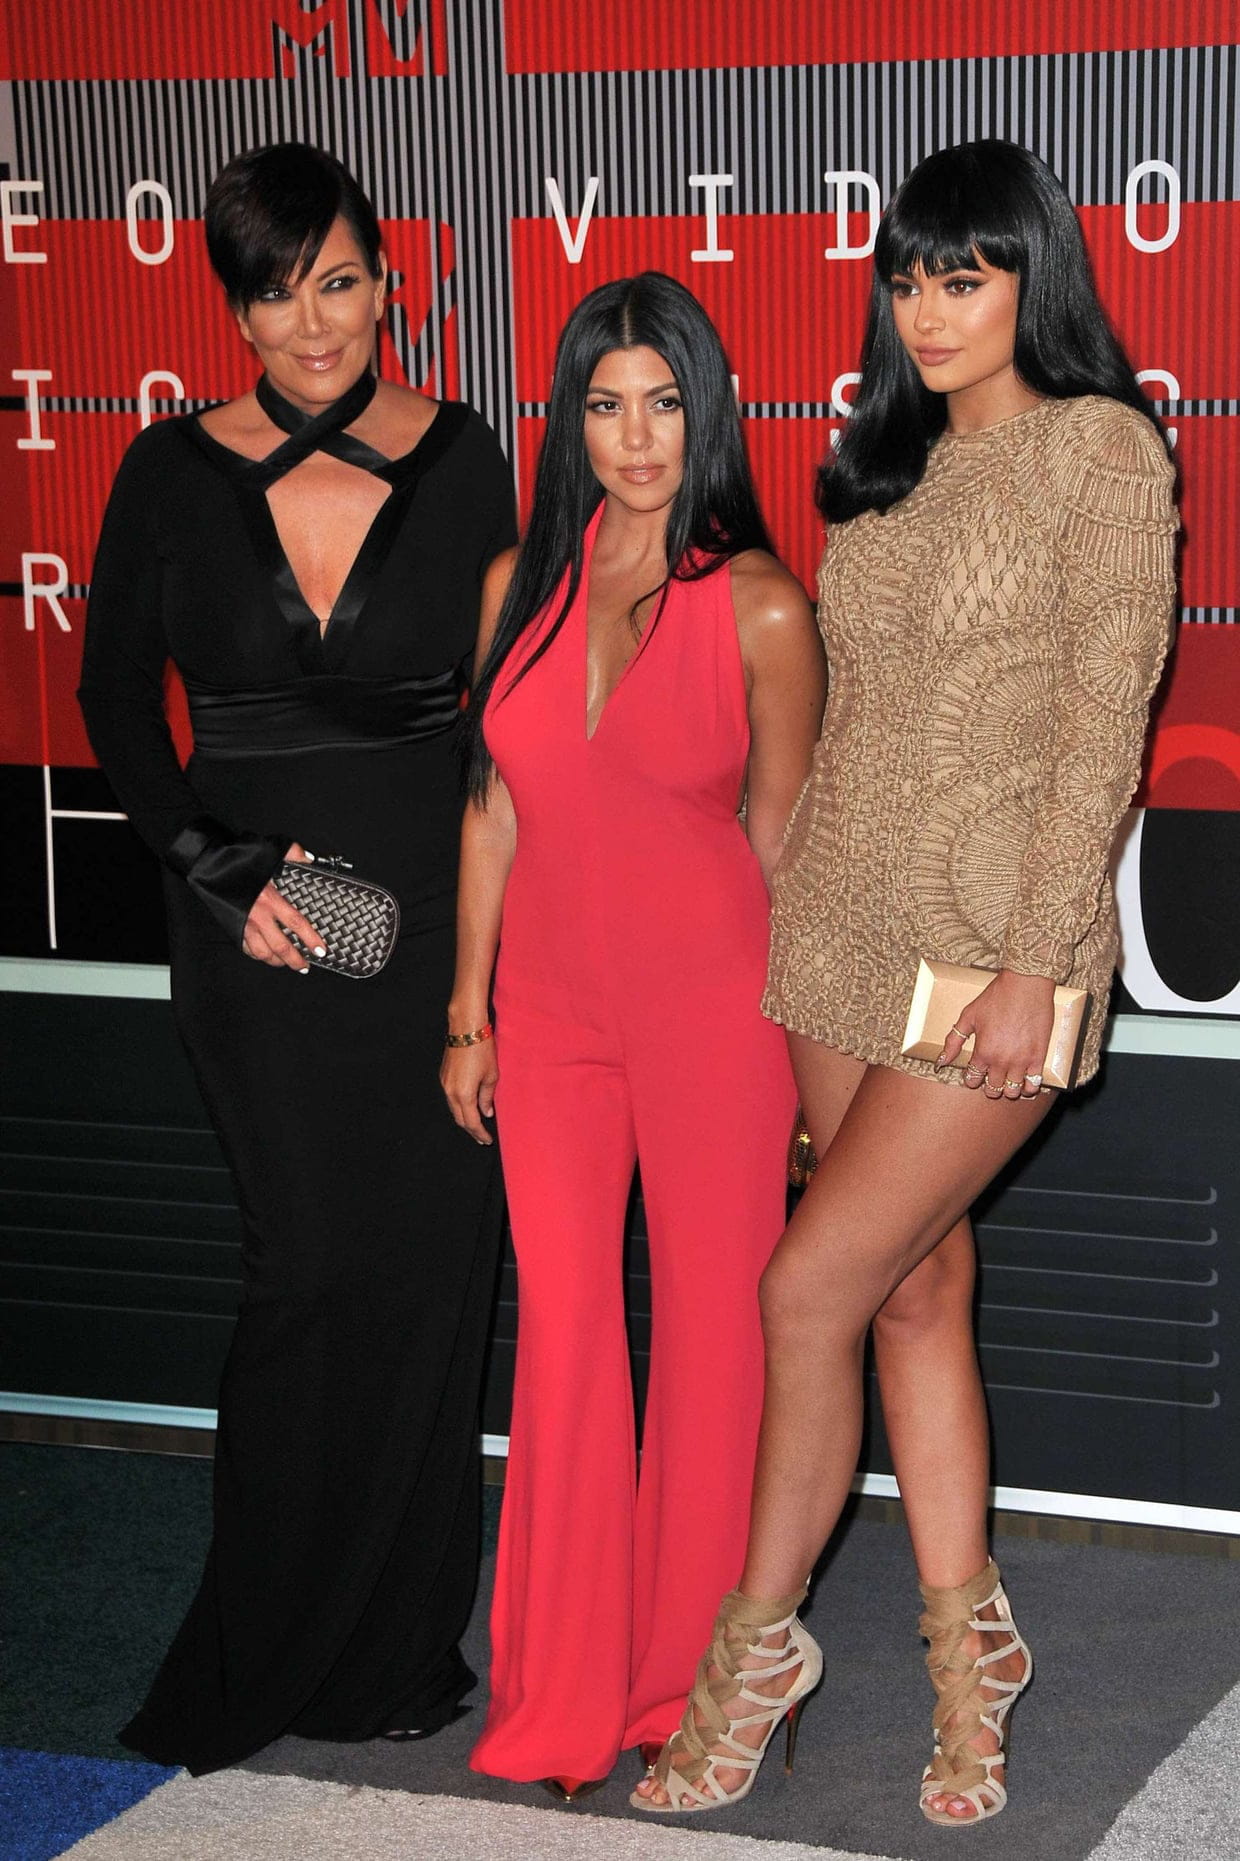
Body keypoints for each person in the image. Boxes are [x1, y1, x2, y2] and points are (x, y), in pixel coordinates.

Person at [636, 139, 1178, 1824]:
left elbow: (1106, 723)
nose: (930, 311)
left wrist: (1035, 961)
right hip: (838, 937)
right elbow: (837, 726)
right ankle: (972, 1655)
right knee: (911, 1291)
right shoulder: (881, 469)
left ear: (1032, 279)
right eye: (909, 279)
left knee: (805, 1289)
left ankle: (758, 1646)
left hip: (991, 950)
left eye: (966, 275)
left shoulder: (1102, 449)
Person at [77, 142, 516, 1774]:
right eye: (274, 292)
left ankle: (394, 1649)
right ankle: (264, 1637)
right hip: (252, 935)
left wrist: (497, 969)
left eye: (336, 280)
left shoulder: (469, 459)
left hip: (437, 931)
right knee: (303, 1268)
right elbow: (115, 700)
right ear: (235, 308)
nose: (311, 322)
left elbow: (506, 723)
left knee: (433, 1277)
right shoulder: (165, 469)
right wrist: (217, 866)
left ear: (389, 280)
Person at [441, 271, 826, 1798]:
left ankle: (694, 1679)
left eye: (664, 401)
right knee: (567, 1336)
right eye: (606, 405)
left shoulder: (763, 604)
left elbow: (786, 850)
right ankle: (563, 1686)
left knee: (722, 1338)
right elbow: (491, 807)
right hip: (548, 1015)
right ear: (572, 423)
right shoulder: (513, 589)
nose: (638, 435)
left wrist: (821, 1070)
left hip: (717, 1015)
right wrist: (465, 1012)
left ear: (706, 411)